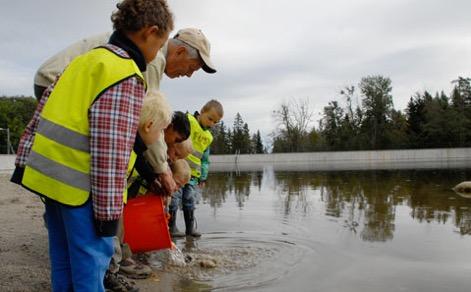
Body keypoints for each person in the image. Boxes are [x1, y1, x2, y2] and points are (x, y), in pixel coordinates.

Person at [10, 1, 174, 291]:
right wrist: (108, 218)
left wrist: (23, 163)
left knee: (63, 261)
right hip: (81, 190)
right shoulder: (125, 74)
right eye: (160, 45)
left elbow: (41, 112)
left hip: (50, 182)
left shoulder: (85, 60)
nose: (156, 55)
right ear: (151, 32)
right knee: (90, 267)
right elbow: (109, 153)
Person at [33, 27, 216, 197]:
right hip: (58, 84)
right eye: (192, 68)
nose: (189, 74)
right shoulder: (154, 58)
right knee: (92, 167)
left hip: (54, 82)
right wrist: (162, 170)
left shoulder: (151, 50)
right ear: (180, 52)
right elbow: (149, 122)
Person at [105, 90, 172, 291]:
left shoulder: (132, 143)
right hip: (105, 204)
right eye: (161, 131)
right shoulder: (125, 146)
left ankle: (109, 271)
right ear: (149, 125)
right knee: (106, 237)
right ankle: (109, 273)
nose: (161, 137)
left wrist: (152, 178)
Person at [169, 100, 224, 238]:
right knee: (175, 197)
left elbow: (205, 159)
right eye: (210, 118)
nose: (211, 123)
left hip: (193, 174)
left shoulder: (208, 137)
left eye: (215, 122)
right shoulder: (189, 121)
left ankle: (190, 229)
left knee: (189, 199)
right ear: (202, 111)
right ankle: (171, 227)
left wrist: (203, 176)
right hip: (178, 169)